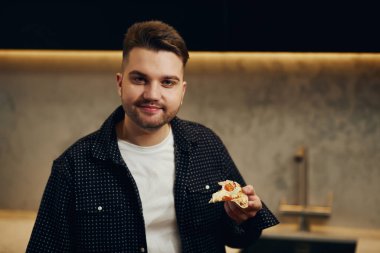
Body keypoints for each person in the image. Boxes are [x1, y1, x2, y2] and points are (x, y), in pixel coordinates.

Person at [27, 20, 279, 253]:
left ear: (182, 91)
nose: (152, 94)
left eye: (167, 82)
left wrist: (244, 217)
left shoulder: (206, 145)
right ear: (120, 83)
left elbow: (239, 237)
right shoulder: (73, 166)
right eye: (139, 79)